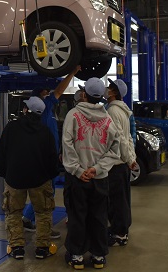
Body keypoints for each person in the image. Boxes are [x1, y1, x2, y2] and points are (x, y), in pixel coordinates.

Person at [62, 77, 121, 270]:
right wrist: (97, 168)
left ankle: (77, 256)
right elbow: (115, 150)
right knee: (99, 216)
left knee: (77, 215)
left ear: (84, 95)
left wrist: (78, 170)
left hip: (77, 178)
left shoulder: (73, 115)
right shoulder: (108, 119)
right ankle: (98, 256)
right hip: (99, 179)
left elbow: (67, 145)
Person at [0, 96, 60, 260]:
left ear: (25, 110)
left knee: (13, 213)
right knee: (43, 213)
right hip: (40, 180)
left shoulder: (11, 128)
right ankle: (42, 248)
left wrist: (6, 173)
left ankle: (16, 248)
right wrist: (50, 175)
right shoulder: (45, 131)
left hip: (15, 179)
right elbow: (53, 159)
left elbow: (1, 154)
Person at [22, 65, 81, 237]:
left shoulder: (40, 109)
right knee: (47, 192)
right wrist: (72, 72)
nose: (50, 92)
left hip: (47, 156)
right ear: (43, 93)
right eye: (47, 90)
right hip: (45, 158)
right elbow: (60, 90)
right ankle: (43, 229)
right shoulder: (45, 105)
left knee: (45, 191)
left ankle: (28, 218)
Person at [105, 79, 137, 247]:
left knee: (117, 201)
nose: (106, 89)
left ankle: (119, 234)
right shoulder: (123, 110)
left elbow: (120, 138)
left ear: (114, 93)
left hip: (116, 163)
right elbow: (129, 137)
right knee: (122, 199)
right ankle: (121, 230)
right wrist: (131, 158)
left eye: (110, 87)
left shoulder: (112, 111)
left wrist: (129, 159)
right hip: (122, 162)